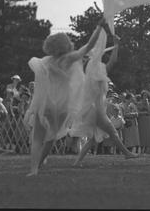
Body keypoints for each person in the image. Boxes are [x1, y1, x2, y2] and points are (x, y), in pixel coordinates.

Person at [23, 13, 107, 176]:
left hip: (46, 103)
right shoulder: (70, 58)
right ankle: (38, 165)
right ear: (66, 44)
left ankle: (34, 170)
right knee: (51, 137)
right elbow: (89, 46)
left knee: (38, 138)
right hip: (62, 106)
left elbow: (38, 75)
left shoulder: (47, 61)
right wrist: (99, 27)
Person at [72, 27, 138, 166]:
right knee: (112, 133)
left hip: (93, 110)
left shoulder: (89, 69)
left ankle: (77, 162)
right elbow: (112, 62)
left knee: (92, 139)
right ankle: (127, 154)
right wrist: (116, 45)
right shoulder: (96, 69)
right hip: (96, 110)